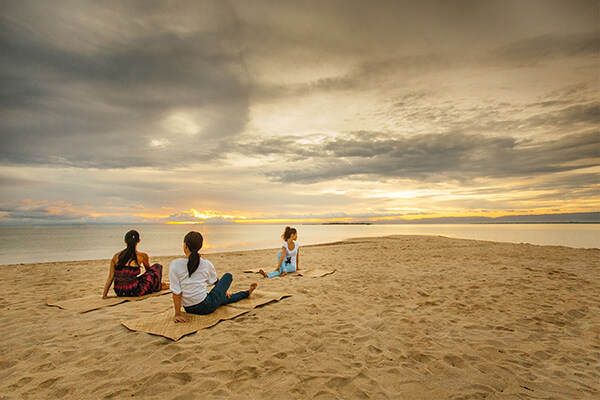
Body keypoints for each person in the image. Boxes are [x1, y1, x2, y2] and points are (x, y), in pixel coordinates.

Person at [170, 231, 257, 323]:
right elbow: (215, 281)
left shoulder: (174, 265)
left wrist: (178, 314)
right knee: (228, 276)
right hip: (206, 306)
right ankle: (247, 293)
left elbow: (176, 292)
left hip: (188, 309)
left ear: (185, 246)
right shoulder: (206, 264)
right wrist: (223, 290)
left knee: (222, 299)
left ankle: (247, 293)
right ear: (200, 247)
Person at [102, 230, 168, 298]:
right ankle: (160, 286)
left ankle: (162, 285)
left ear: (125, 241)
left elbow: (111, 277)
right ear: (138, 240)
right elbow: (149, 272)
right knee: (157, 266)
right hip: (134, 291)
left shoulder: (116, 256)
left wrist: (105, 295)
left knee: (133, 279)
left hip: (120, 291)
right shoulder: (142, 256)